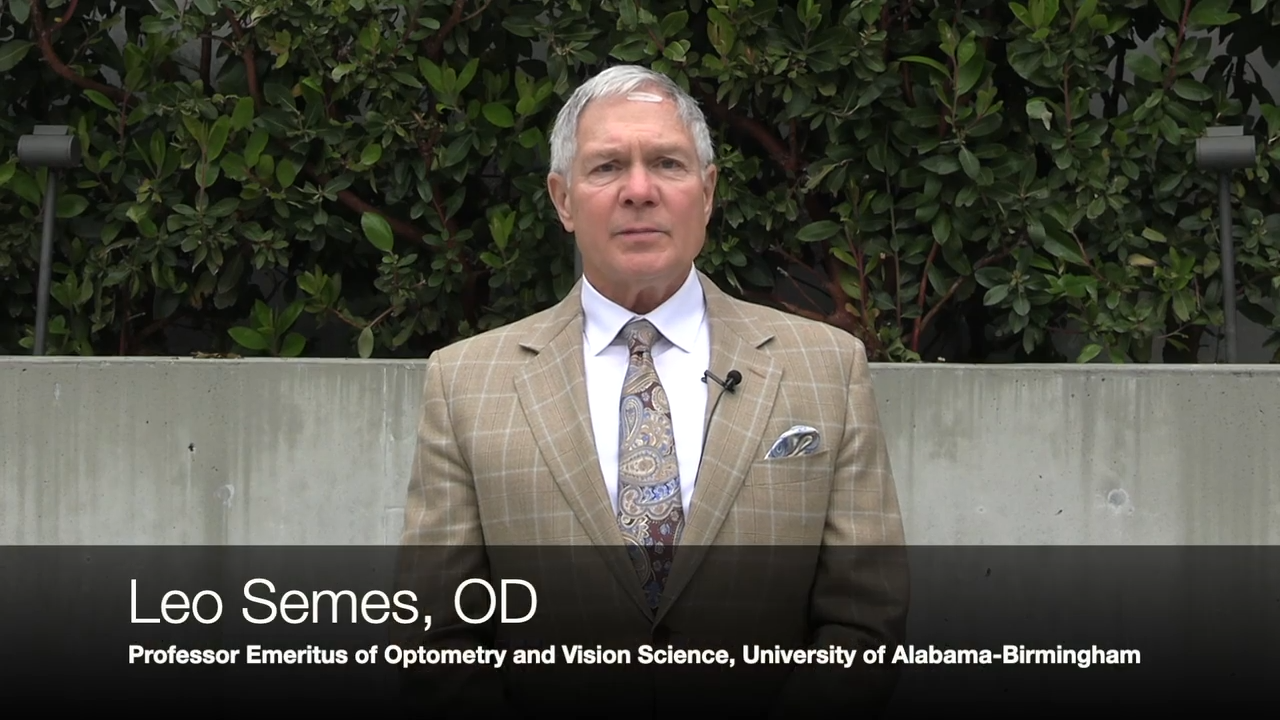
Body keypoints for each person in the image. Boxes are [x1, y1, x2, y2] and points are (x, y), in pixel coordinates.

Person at [396, 64, 909, 717]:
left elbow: (865, 622)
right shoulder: (466, 382)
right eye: (607, 167)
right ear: (562, 199)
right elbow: (437, 637)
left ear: (708, 192)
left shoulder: (826, 368)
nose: (639, 190)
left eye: (667, 163)